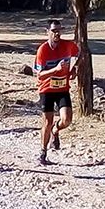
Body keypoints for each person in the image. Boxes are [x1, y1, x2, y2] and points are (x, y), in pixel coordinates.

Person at [34, 18, 79, 165]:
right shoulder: (43, 50)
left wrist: (74, 69)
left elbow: (81, 54)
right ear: (47, 32)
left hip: (62, 88)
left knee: (67, 120)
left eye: (59, 30)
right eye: (54, 31)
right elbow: (39, 74)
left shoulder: (67, 46)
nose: (57, 33)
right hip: (46, 89)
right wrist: (56, 69)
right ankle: (43, 152)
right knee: (47, 121)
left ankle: (56, 130)